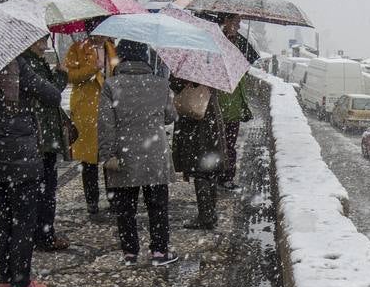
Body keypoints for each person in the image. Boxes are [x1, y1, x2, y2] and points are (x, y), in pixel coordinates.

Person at [0, 56, 57, 287]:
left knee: (5, 215)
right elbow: (52, 96)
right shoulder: (16, 64)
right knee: (24, 218)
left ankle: (5, 279)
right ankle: (22, 282)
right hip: (19, 157)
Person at [98, 40, 179, 267]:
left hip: (124, 154)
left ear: (121, 58)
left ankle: (130, 253)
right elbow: (170, 117)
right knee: (158, 205)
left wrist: (107, 155)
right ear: (145, 58)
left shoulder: (111, 85)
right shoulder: (161, 84)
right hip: (155, 153)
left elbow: (106, 125)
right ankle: (159, 251)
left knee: (126, 208)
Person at [20, 37, 71, 251]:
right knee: (45, 189)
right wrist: (61, 74)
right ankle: (44, 235)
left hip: (43, 135)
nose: (45, 44)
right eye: (41, 40)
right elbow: (50, 95)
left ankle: (39, 232)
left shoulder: (33, 62)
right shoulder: (29, 64)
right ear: (31, 42)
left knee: (43, 188)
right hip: (42, 137)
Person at [65, 32, 116, 218]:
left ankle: (114, 198)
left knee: (109, 155)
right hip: (86, 109)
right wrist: (91, 69)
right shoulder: (77, 48)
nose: (102, 36)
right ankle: (92, 202)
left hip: (109, 106)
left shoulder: (111, 48)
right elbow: (70, 76)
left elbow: (115, 71)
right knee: (89, 159)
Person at [170, 76, 226, 230]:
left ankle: (205, 216)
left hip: (194, 123)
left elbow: (176, 87)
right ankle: (210, 212)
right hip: (211, 118)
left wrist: (181, 82)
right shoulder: (213, 70)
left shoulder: (187, 69)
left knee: (199, 170)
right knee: (210, 169)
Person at [213, 14, 258, 190]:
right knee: (220, 143)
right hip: (220, 101)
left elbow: (244, 70)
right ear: (226, 22)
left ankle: (226, 176)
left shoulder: (240, 43)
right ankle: (218, 175)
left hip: (233, 103)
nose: (238, 27)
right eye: (236, 23)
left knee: (229, 144)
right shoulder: (216, 41)